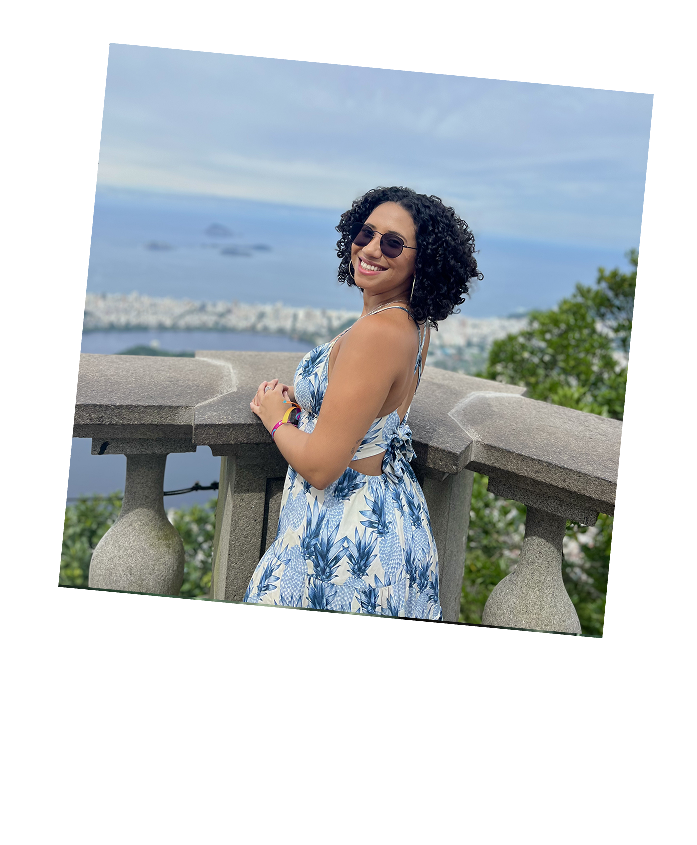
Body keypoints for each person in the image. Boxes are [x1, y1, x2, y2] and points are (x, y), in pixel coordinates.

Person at [243, 186, 482, 618]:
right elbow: (369, 406)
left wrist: (278, 420)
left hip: (343, 536)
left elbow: (321, 466)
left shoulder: (379, 333)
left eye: (392, 242)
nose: (372, 248)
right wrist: (313, 400)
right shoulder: (411, 322)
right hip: (383, 514)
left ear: (421, 261)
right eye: (365, 233)